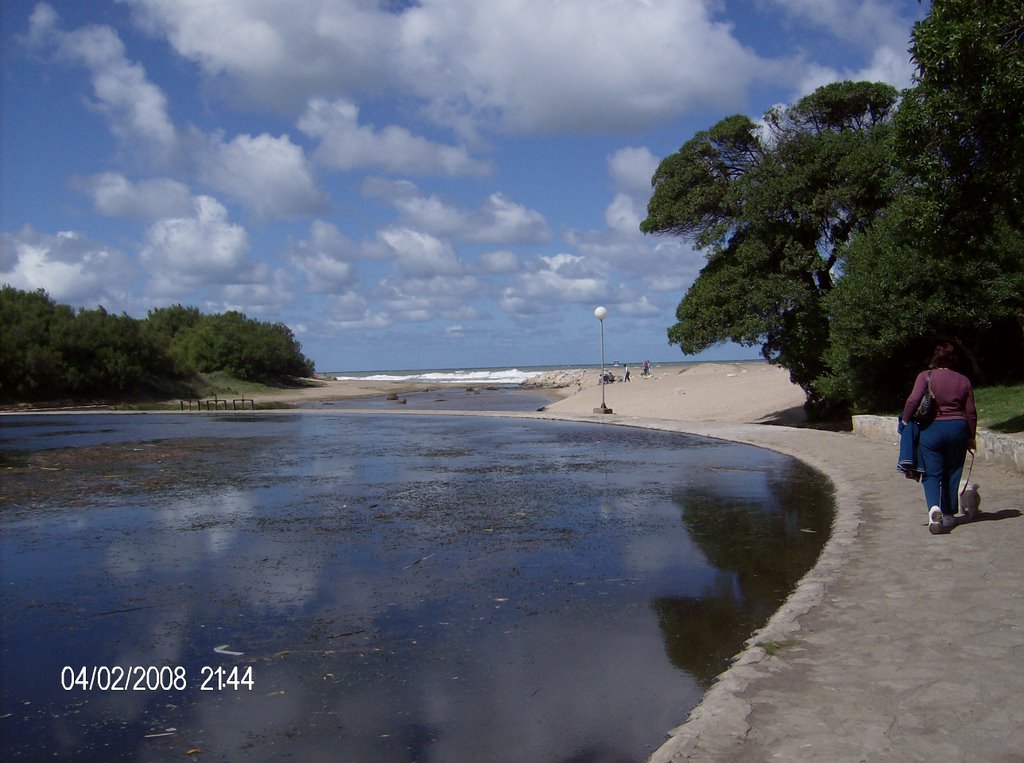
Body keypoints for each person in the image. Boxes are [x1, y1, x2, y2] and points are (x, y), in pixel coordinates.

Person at [901, 342, 977, 534]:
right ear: (953, 359)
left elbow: (913, 400)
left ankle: (934, 508)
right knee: (953, 471)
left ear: (935, 358)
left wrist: (905, 421)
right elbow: (971, 412)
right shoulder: (963, 380)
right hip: (958, 429)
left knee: (931, 473)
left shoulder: (925, 376)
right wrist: (971, 436)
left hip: (932, 429)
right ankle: (950, 514)